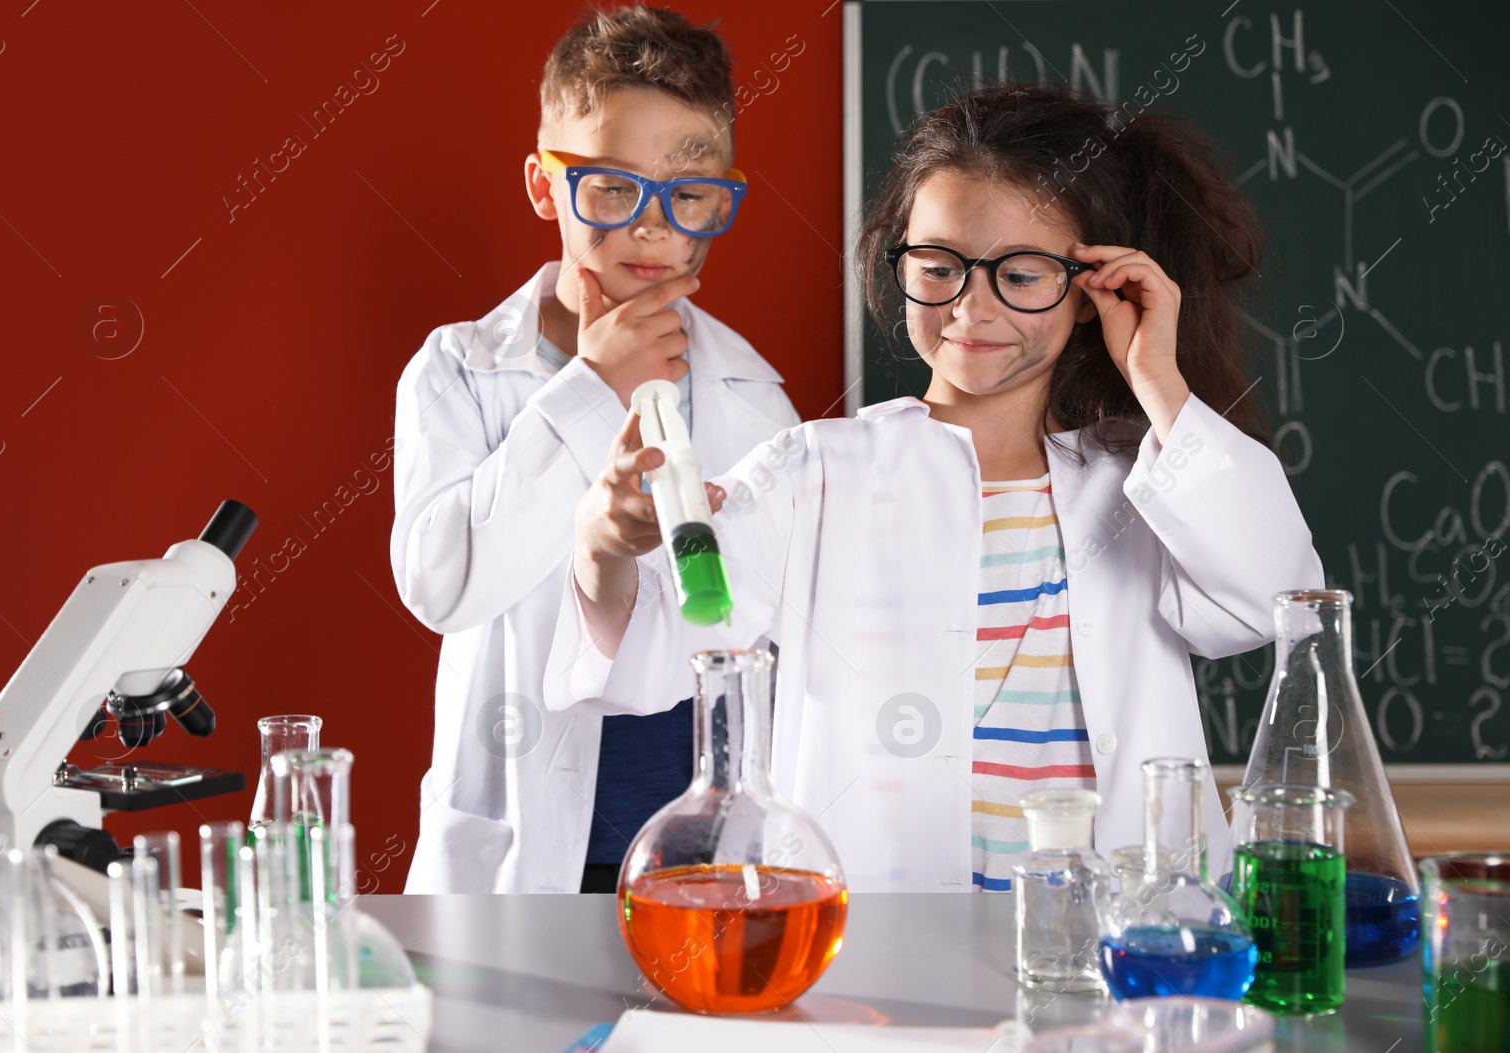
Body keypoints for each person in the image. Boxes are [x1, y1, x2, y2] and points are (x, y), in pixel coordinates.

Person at [546, 84, 1324, 892]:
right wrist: (603, 545)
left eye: (1020, 275)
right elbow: (660, 651)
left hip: (1118, 945)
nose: (969, 306)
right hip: (886, 954)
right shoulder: (815, 470)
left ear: (1093, 288)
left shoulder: (1148, 476)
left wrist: (1158, 380)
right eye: (940, 266)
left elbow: (1275, 595)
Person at [391, 5, 799, 894]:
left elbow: (759, 634)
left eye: (686, 193)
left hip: (700, 845)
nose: (651, 227)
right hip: (523, 849)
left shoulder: (753, 392)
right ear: (545, 187)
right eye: (612, 187)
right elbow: (442, 583)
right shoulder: (458, 370)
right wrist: (590, 386)